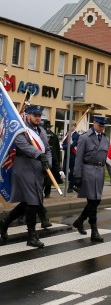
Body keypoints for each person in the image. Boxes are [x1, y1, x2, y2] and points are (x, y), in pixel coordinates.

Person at [0, 105, 52, 247]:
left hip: (38, 170)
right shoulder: (21, 130)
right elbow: (23, 146)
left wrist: (48, 163)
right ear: (27, 115)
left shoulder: (41, 131)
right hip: (24, 168)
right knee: (33, 202)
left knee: (28, 202)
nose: (37, 118)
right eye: (34, 115)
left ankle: (5, 223)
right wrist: (39, 155)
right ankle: (31, 236)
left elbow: (47, 150)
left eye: (39, 115)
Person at [71, 115, 110, 242]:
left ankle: (80, 220)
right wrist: (77, 175)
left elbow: (107, 158)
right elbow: (79, 158)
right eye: (99, 125)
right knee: (93, 202)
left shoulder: (105, 139)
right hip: (88, 171)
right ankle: (94, 230)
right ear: (94, 123)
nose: (101, 128)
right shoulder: (84, 138)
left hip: (99, 173)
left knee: (96, 201)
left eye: (103, 126)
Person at [41, 120, 63, 198]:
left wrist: (58, 164)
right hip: (43, 160)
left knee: (49, 178)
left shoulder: (54, 136)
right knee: (44, 179)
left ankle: (47, 193)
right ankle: (43, 193)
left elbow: (56, 150)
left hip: (51, 160)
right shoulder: (40, 135)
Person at [62, 121, 79, 192]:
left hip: (73, 155)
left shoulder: (77, 135)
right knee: (64, 170)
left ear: (75, 127)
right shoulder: (67, 134)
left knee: (72, 171)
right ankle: (72, 181)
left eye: (73, 126)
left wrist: (65, 146)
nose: (71, 127)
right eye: (70, 126)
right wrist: (64, 146)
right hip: (66, 155)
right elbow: (64, 144)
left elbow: (73, 145)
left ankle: (70, 187)